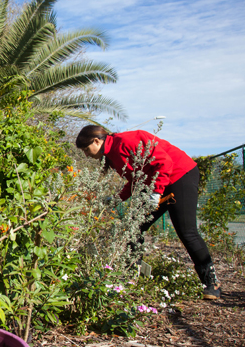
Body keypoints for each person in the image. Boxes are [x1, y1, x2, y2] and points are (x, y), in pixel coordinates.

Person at [75, 125, 222, 300]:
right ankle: (130, 275)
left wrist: (156, 192)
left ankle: (211, 283)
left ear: (97, 141)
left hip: (179, 175)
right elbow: (135, 180)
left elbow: (164, 162)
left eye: (86, 149)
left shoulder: (127, 141)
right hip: (157, 183)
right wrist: (117, 198)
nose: (86, 154)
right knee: (133, 226)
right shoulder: (112, 155)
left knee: (187, 231)